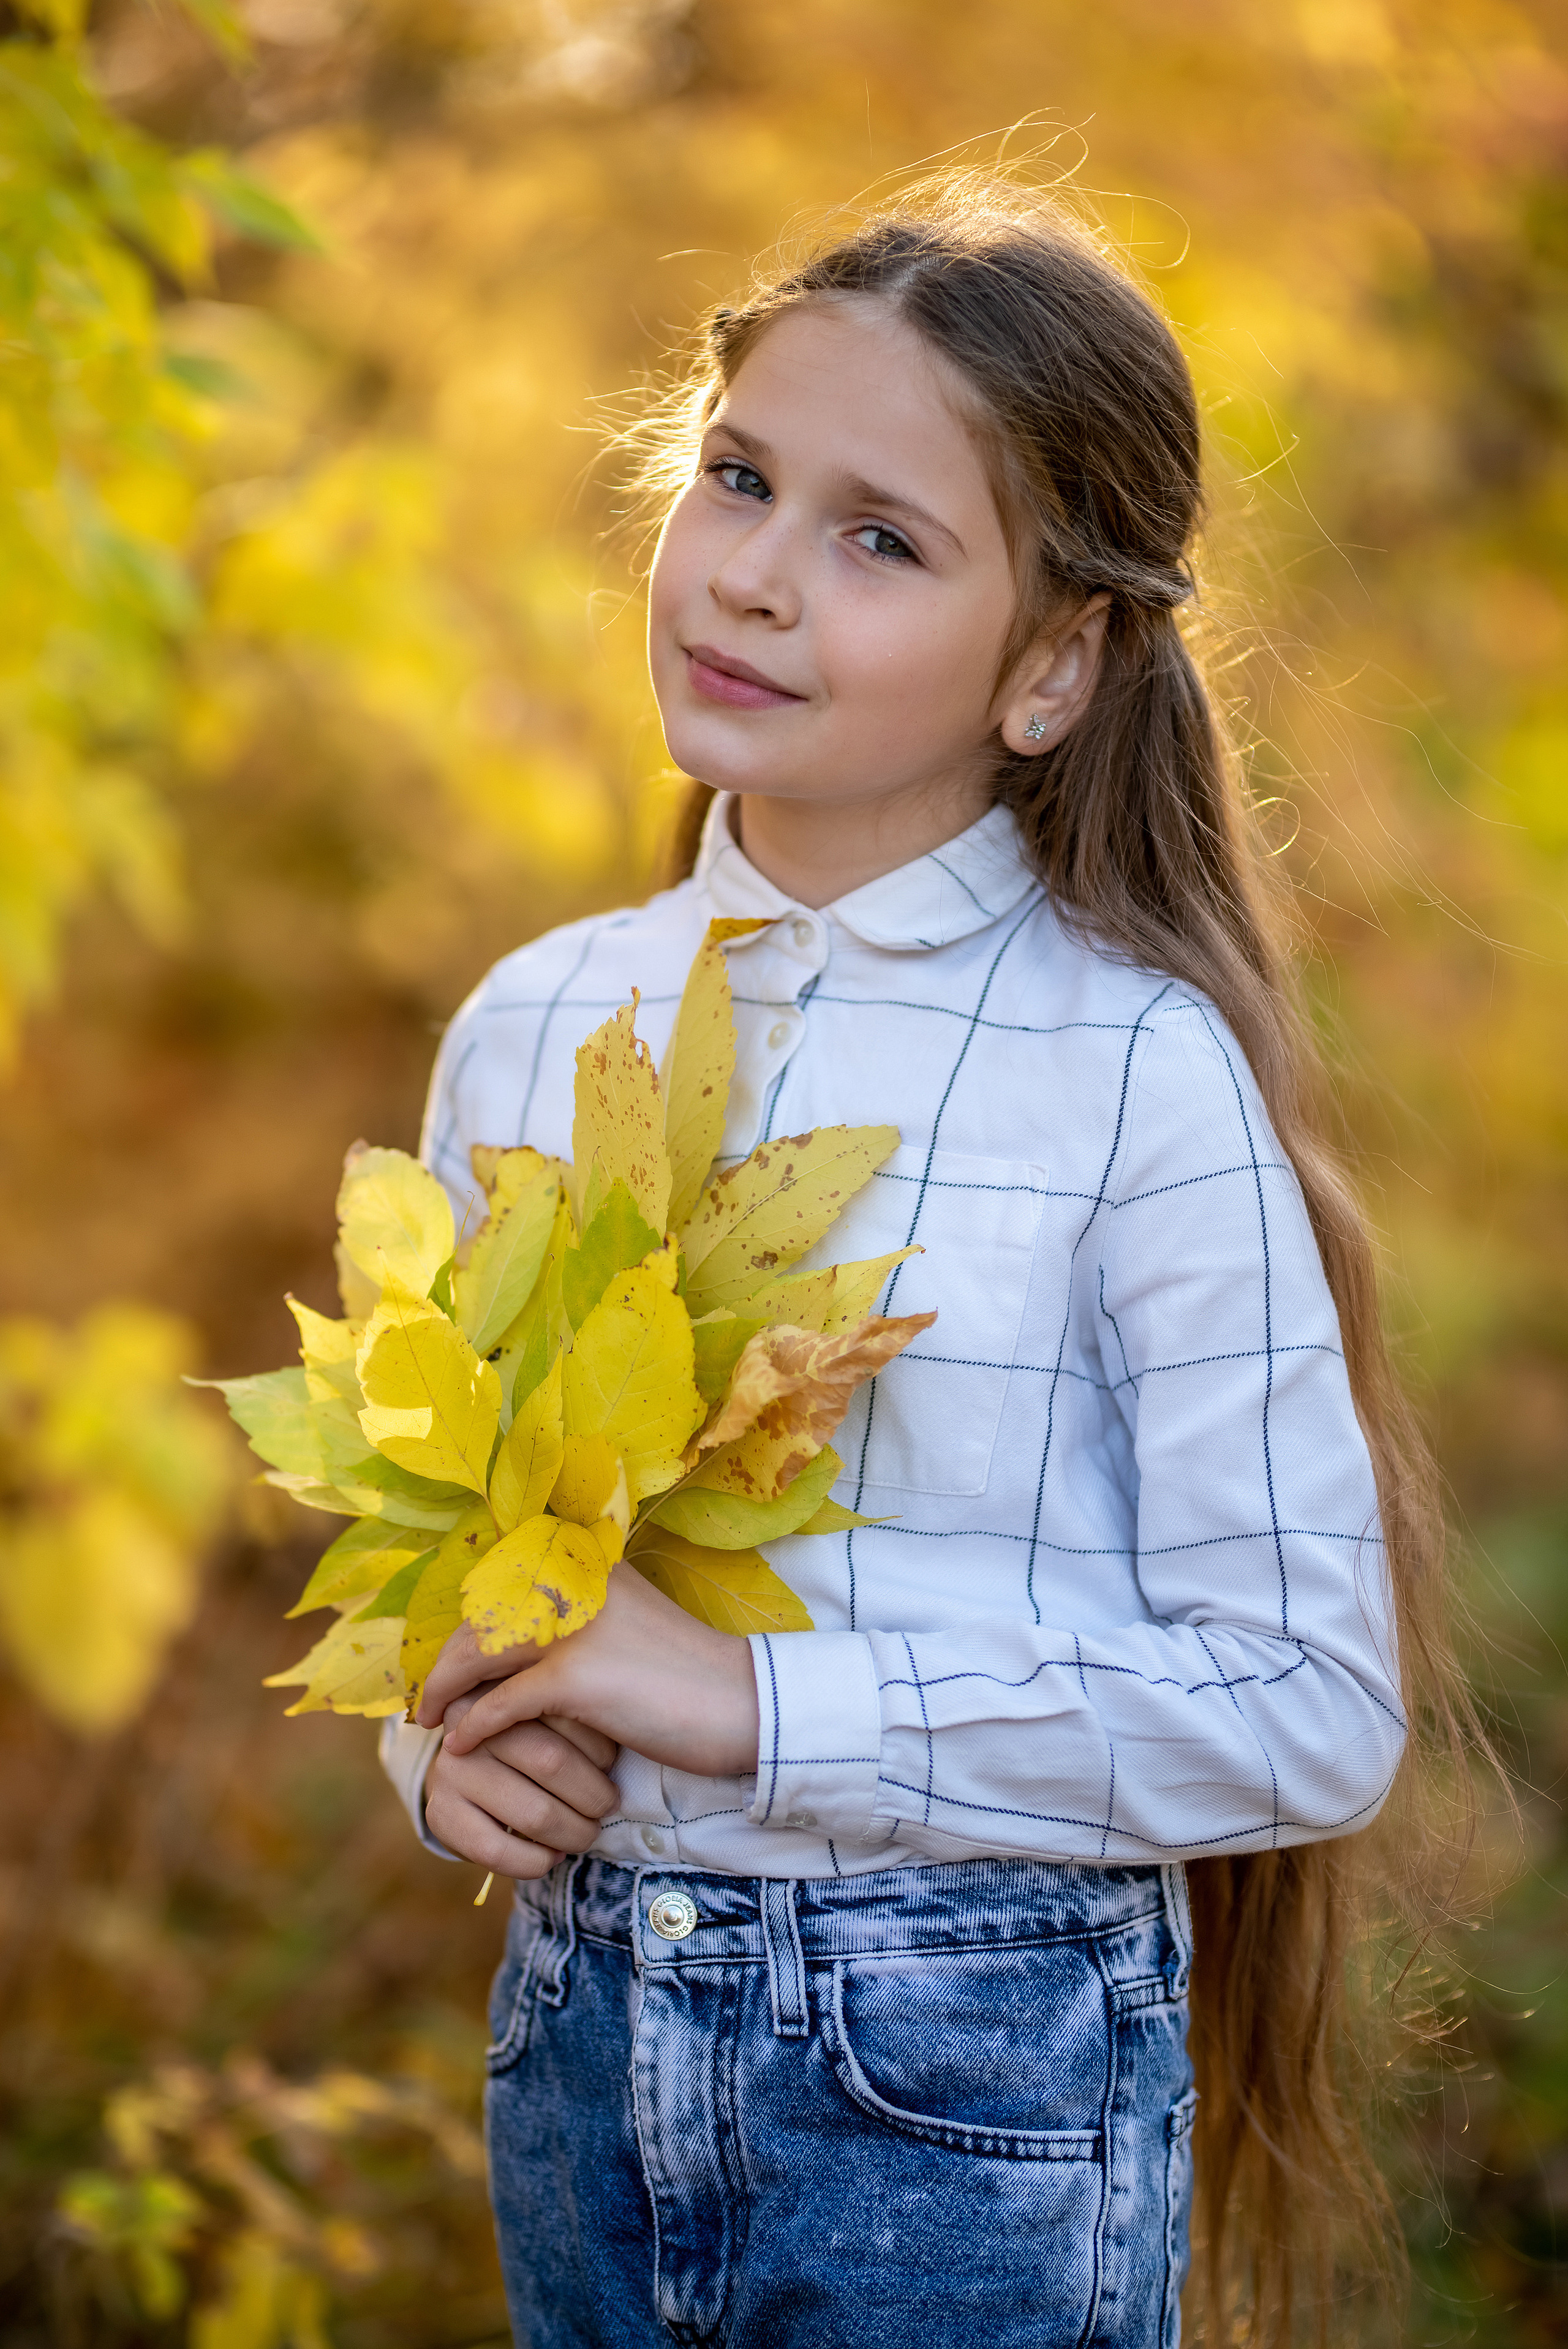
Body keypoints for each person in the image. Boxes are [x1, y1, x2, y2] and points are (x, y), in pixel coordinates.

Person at [380, 178, 1471, 2347]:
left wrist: (751, 1702)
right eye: (743, 479)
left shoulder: (1135, 1075)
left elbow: (1311, 1707)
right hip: (583, 2041)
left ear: (1053, 665)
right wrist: (441, 1763)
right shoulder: (532, 1018)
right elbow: (466, 1577)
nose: (761, 575)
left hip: (962, 2091)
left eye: (884, 538)